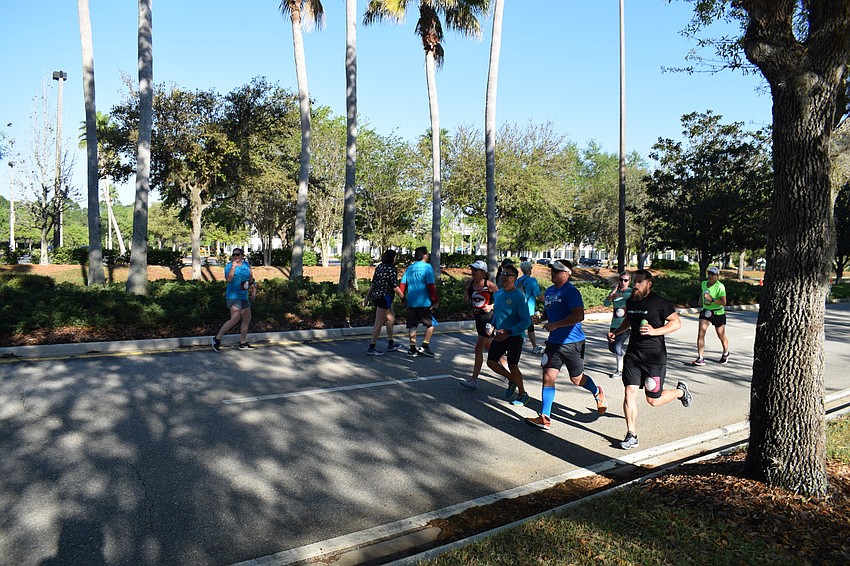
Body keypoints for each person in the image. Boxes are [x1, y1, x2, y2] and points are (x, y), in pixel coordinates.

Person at [608, 269, 692, 450]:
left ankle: (680, 392)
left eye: (639, 282)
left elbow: (676, 323)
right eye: (634, 281)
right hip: (633, 355)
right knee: (629, 392)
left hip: (654, 357)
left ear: (649, 284)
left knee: (653, 400)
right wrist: (616, 332)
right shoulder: (631, 301)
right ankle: (631, 435)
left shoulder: (659, 302)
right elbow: (630, 320)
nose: (635, 285)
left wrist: (655, 331)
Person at [525, 259, 607, 431]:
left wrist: (556, 325)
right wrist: (541, 319)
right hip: (553, 343)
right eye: (552, 270)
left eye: (556, 271)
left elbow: (579, 315)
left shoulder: (571, 292)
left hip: (572, 342)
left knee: (576, 379)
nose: (552, 273)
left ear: (566, 274)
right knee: (548, 377)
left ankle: (597, 391)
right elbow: (548, 313)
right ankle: (545, 417)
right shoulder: (549, 291)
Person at [487, 264, 532, 405]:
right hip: (500, 335)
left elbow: (526, 321)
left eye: (507, 274)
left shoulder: (519, 297)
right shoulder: (498, 294)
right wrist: (492, 325)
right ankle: (512, 379)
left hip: (514, 336)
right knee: (491, 363)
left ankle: (523, 394)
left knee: (513, 365)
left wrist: (509, 331)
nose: (503, 277)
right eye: (502, 274)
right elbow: (497, 314)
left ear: (514, 278)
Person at [460, 260, 498, 389]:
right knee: (491, 348)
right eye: (472, 270)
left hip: (489, 319)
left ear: (483, 272)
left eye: (476, 270)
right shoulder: (470, 284)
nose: (473, 272)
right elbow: (468, 296)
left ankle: (473, 380)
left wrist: (491, 306)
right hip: (478, 319)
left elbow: (501, 301)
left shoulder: (490, 285)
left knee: (478, 349)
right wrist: (467, 297)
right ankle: (509, 371)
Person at [212, 248, 257, 352]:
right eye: (234, 255)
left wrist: (254, 290)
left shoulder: (247, 265)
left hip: (244, 296)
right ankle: (216, 339)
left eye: (238, 254)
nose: (235, 257)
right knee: (235, 318)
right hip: (233, 296)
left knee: (247, 318)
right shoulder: (229, 266)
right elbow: (229, 279)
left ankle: (243, 343)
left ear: (242, 256)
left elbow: (251, 279)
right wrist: (233, 267)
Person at [398, 246, 439, 357]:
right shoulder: (427, 267)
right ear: (424, 255)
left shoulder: (410, 268)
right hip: (424, 301)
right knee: (431, 324)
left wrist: (403, 298)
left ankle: (412, 348)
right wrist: (435, 300)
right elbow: (431, 285)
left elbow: (402, 284)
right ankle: (425, 346)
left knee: (412, 326)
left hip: (412, 301)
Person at [364, 249, 405, 355]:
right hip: (385, 297)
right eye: (395, 256)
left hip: (377, 296)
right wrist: (403, 298)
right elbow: (394, 286)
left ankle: (391, 343)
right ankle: (371, 347)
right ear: (392, 258)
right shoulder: (391, 269)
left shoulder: (380, 267)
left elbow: (373, 283)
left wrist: (367, 297)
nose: (396, 258)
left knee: (391, 319)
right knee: (379, 322)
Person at [692, 266, 730, 366]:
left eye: (713, 274)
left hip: (718, 313)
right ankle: (700, 358)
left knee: (721, 335)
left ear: (717, 276)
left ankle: (726, 353)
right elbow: (702, 293)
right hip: (706, 311)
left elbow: (724, 302)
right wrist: (700, 301)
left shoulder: (720, 286)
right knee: (701, 334)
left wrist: (712, 299)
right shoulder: (704, 283)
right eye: (709, 274)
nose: (710, 276)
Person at [603, 271, 633, 379]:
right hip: (614, 325)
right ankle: (622, 356)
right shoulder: (615, 292)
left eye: (625, 280)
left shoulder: (631, 292)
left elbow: (631, 296)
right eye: (621, 280)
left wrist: (619, 295)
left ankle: (619, 371)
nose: (623, 282)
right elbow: (606, 303)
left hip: (625, 325)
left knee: (617, 346)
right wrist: (611, 295)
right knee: (612, 347)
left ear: (629, 281)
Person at [517, 261, 545, 354]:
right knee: (530, 327)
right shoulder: (532, 281)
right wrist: (547, 302)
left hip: (518, 307)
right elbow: (538, 295)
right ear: (529, 269)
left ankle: (509, 346)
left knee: (518, 326)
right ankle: (534, 346)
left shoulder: (517, 281)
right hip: (528, 308)